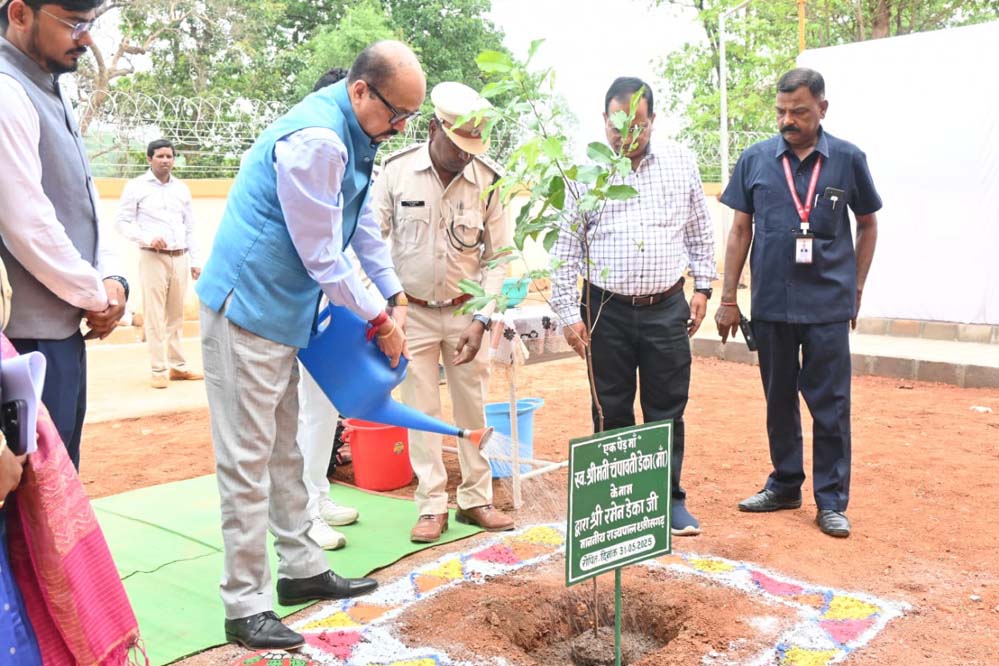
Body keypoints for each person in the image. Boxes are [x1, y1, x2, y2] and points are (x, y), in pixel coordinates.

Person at [195, 41, 425, 650]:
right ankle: (245, 605)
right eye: (396, 113)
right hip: (246, 311)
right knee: (247, 462)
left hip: (281, 316)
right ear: (360, 91)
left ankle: (301, 570)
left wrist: (393, 293)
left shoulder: (358, 134)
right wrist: (381, 319)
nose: (402, 127)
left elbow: (359, 228)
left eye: (410, 116)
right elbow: (324, 255)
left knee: (284, 452)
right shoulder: (319, 141)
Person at [715, 68, 880, 539]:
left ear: (822, 109)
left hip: (828, 305)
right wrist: (728, 297)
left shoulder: (848, 159)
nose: (788, 120)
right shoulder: (755, 159)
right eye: (781, 112)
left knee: (831, 405)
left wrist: (856, 288)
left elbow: (868, 224)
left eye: (800, 112)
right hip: (772, 304)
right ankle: (785, 484)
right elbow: (740, 230)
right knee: (778, 399)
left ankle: (831, 502)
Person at [550, 76, 715, 537]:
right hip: (605, 309)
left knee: (667, 408)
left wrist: (703, 288)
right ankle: (616, 503)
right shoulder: (585, 173)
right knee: (611, 407)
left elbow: (700, 231)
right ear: (604, 120)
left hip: (667, 306)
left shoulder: (681, 162)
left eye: (637, 124)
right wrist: (569, 315)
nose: (627, 135)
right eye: (617, 125)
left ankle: (668, 499)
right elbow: (566, 248)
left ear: (653, 120)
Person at [373, 81, 514, 543]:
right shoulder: (396, 172)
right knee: (422, 411)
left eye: (473, 148)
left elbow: (499, 257)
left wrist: (482, 318)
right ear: (434, 129)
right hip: (409, 313)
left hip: (465, 314)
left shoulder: (489, 181)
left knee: (474, 407)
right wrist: (385, 307)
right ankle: (432, 505)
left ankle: (476, 499)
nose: (465, 157)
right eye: (458, 147)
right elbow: (370, 241)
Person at [0, 0, 127, 470]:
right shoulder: (7, 89)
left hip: (61, 331)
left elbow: (84, 200)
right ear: (20, 15)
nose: (86, 39)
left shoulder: (46, 84)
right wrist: (97, 295)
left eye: (89, 25)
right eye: (74, 24)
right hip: (25, 342)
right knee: (28, 490)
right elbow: (26, 223)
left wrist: (113, 279)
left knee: (59, 480)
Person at [295, 67, 361, 553]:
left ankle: (317, 494)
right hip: (289, 309)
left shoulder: (348, 161)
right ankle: (301, 515)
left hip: (326, 309)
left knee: (320, 409)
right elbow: (319, 252)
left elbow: (359, 237)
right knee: (298, 415)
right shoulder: (309, 150)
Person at [116, 138, 204, 389]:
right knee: (154, 315)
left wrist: (196, 260)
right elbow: (122, 222)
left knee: (176, 315)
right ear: (149, 158)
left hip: (180, 257)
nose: (165, 160)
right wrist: (147, 238)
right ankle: (158, 369)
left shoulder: (181, 189)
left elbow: (190, 226)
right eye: (160, 156)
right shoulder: (136, 187)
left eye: (169, 156)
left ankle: (178, 367)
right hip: (152, 256)